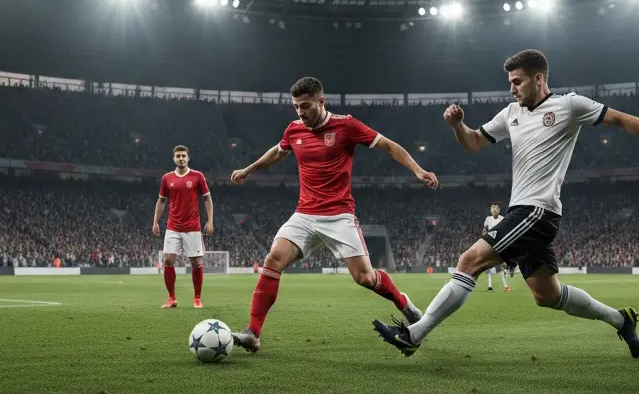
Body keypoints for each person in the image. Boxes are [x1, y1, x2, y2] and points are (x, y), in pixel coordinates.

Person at [372, 49, 639, 359]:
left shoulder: (570, 106)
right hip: (521, 212)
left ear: (538, 78)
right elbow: (472, 142)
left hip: (539, 211)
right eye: (510, 82)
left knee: (468, 260)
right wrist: (457, 125)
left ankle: (414, 334)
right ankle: (621, 320)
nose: (511, 88)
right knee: (548, 296)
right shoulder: (510, 113)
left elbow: (622, 120)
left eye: (517, 81)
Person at [229, 76, 439, 353]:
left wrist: (418, 170)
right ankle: (253, 333)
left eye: (305, 106)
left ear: (321, 101)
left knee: (365, 278)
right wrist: (248, 169)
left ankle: (404, 303)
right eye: (296, 107)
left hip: (339, 215)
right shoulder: (293, 130)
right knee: (273, 259)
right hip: (304, 214)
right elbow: (277, 154)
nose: (300, 113)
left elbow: (389, 145)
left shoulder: (346, 126)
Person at [152, 145, 214, 309]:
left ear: (188, 158)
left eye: (183, 156)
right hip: (173, 226)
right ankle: (172, 298)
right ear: (174, 159)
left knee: (196, 262)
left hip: (193, 227)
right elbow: (161, 201)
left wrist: (210, 220)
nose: (181, 158)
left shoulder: (197, 176)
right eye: (178, 156)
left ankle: (197, 298)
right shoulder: (167, 178)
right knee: (168, 260)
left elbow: (207, 199)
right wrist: (155, 221)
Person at [482, 204, 510, 292]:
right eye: (492, 210)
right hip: (491, 243)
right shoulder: (488, 219)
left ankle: (506, 285)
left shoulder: (502, 219)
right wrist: (484, 238)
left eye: (495, 210)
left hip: (501, 243)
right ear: (491, 211)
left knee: (504, 265)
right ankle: (490, 286)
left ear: (498, 211)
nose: (494, 212)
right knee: (489, 265)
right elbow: (484, 230)